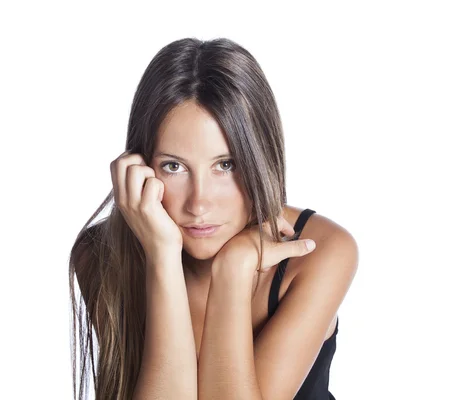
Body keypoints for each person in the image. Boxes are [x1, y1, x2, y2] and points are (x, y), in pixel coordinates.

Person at [69, 37, 359, 400]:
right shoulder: (101, 255)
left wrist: (233, 270)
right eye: (173, 166)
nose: (199, 203)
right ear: (141, 167)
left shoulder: (318, 251)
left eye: (226, 165)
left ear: (261, 160)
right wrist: (162, 255)